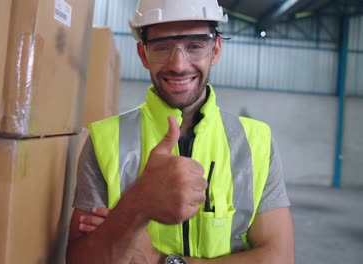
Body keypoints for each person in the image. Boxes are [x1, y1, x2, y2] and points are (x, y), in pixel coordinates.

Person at [66, 0, 295, 263]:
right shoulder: (105, 141)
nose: (178, 65)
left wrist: (161, 259)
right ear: (143, 55)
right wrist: (136, 205)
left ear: (215, 50)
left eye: (195, 46)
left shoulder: (257, 142)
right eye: (162, 47)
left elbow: (280, 257)